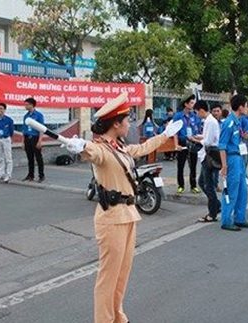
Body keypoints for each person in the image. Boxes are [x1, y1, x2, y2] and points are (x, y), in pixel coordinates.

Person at [64, 92, 183, 323]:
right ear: (116, 123)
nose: (129, 124)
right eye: (127, 120)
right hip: (111, 219)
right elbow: (93, 152)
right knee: (108, 277)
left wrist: (165, 135)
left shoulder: (119, 147)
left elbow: (141, 148)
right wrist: (80, 146)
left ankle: (117, 316)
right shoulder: (101, 150)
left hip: (128, 215)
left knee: (121, 275)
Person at [219, 94, 248, 232]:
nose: (247, 109)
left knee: (242, 190)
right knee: (231, 190)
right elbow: (222, 145)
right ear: (240, 107)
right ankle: (226, 220)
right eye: (246, 106)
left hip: (239, 158)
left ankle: (240, 218)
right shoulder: (228, 123)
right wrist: (224, 166)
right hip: (231, 159)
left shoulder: (238, 122)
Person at [194, 100, 221, 223]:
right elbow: (207, 137)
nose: (197, 115)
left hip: (209, 156)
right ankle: (216, 205)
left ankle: (212, 213)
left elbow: (209, 141)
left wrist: (197, 141)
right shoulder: (208, 121)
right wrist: (199, 137)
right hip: (207, 155)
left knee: (208, 185)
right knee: (202, 182)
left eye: (196, 112)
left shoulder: (210, 122)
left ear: (201, 110)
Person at [173, 92, 202, 194]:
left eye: (194, 102)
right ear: (185, 104)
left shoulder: (195, 116)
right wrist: (176, 145)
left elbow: (198, 130)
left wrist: (197, 139)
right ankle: (181, 186)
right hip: (182, 142)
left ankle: (193, 186)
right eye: (191, 103)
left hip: (193, 142)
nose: (193, 105)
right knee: (180, 166)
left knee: (193, 166)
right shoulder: (178, 116)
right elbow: (175, 132)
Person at [22, 97, 45, 183]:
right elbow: (24, 129)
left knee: (38, 157)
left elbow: (42, 129)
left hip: (35, 138)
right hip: (27, 138)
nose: (25, 106)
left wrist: (40, 141)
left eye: (27, 104)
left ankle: (41, 175)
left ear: (32, 105)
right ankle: (30, 175)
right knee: (30, 158)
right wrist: (23, 141)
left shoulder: (39, 115)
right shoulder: (26, 116)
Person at [0, 102, 14, 183]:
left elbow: (11, 131)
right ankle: (1, 174)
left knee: (8, 158)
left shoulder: (9, 120)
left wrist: (9, 138)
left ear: (5, 110)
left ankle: (8, 175)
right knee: (0, 158)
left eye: (1, 108)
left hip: (6, 139)